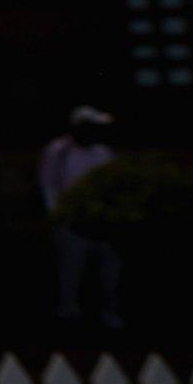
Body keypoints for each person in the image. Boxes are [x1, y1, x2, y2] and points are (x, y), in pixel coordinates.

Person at [40, 105, 122, 326]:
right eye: (90, 127)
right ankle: (67, 314)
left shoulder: (103, 153)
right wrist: (58, 215)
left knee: (109, 269)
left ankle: (109, 313)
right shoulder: (58, 150)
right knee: (71, 270)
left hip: (100, 222)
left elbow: (112, 187)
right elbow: (49, 186)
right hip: (70, 221)